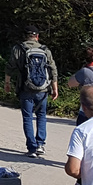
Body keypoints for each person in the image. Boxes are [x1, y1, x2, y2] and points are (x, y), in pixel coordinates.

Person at [9, 25, 60, 157]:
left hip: (25, 88)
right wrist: (55, 88)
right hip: (43, 89)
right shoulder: (45, 50)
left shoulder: (18, 49)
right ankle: (40, 145)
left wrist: (7, 83)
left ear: (25, 36)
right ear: (37, 36)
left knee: (27, 117)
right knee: (41, 115)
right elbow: (53, 69)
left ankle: (31, 148)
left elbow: (10, 66)